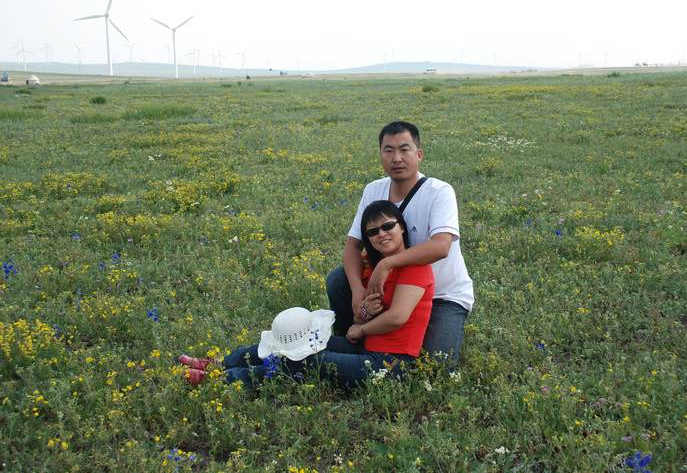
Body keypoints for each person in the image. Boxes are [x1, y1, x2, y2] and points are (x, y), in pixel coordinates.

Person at [180, 200, 435, 388]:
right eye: (372, 231)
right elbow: (360, 317)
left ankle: (222, 382)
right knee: (291, 342)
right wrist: (366, 312)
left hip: (389, 364)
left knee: (302, 362)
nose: (381, 234)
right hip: (365, 348)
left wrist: (362, 330)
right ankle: (218, 364)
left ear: (401, 227)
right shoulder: (371, 265)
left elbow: (397, 318)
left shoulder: (415, 267)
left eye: (387, 226)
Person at [326, 121, 473, 368]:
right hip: (392, 288)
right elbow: (353, 246)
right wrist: (358, 293)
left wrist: (386, 265)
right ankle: (353, 335)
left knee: (434, 367)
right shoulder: (374, 190)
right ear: (381, 155)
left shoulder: (439, 192)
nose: (397, 158)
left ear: (419, 154)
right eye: (388, 150)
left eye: (404, 150)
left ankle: (367, 335)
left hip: (441, 295)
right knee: (338, 280)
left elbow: (441, 247)